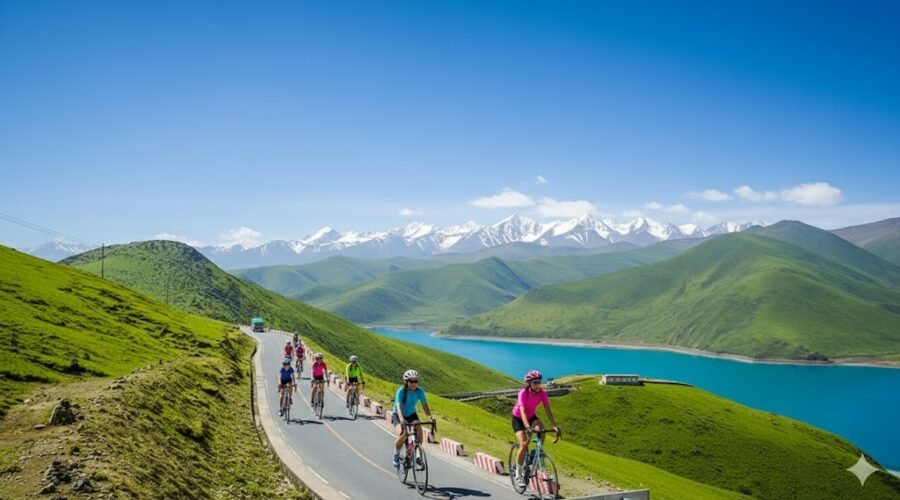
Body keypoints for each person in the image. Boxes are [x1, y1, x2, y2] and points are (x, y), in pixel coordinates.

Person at [512, 370, 561, 487]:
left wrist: (554, 425)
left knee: (542, 429)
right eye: (535, 382)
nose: (538, 384)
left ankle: (535, 452)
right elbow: (522, 412)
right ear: (529, 383)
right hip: (518, 418)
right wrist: (527, 427)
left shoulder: (542, 394)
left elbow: (548, 410)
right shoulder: (523, 393)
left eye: (539, 382)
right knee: (523, 444)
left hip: (531, 417)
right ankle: (518, 474)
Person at [392, 369, 434, 468]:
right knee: (403, 434)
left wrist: (430, 417)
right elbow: (398, 407)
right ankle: (396, 454)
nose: (414, 384)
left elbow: (425, 406)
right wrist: (402, 420)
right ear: (406, 382)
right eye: (411, 381)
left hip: (411, 414)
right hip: (398, 414)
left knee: (419, 427)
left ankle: (417, 455)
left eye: (416, 381)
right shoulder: (401, 391)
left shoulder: (420, 392)